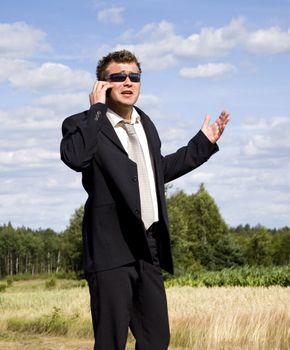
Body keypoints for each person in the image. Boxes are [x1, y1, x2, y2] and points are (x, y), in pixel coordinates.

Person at [60, 50, 230, 350]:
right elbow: (76, 158)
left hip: (147, 246)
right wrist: (97, 111)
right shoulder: (81, 123)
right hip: (110, 250)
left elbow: (156, 171)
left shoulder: (145, 123)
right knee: (111, 342)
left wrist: (203, 143)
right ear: (102, 84)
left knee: (156, 339)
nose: (128, 82)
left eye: (134, 77)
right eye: (118, 77)